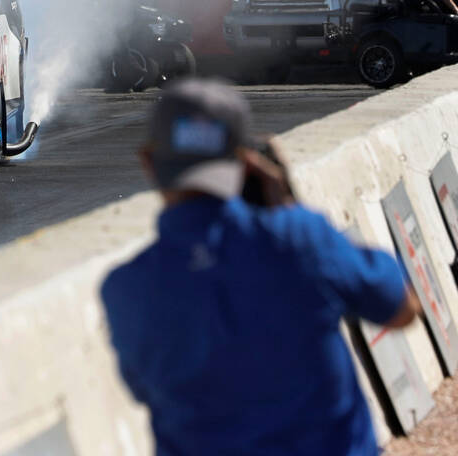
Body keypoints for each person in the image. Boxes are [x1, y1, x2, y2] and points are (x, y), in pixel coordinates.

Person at [100, 79, 421, 456]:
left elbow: (141, 387)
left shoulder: (126, 287)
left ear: (149, 162)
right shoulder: (298, 239)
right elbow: (401, 309)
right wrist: (290, 208)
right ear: (245, 161)